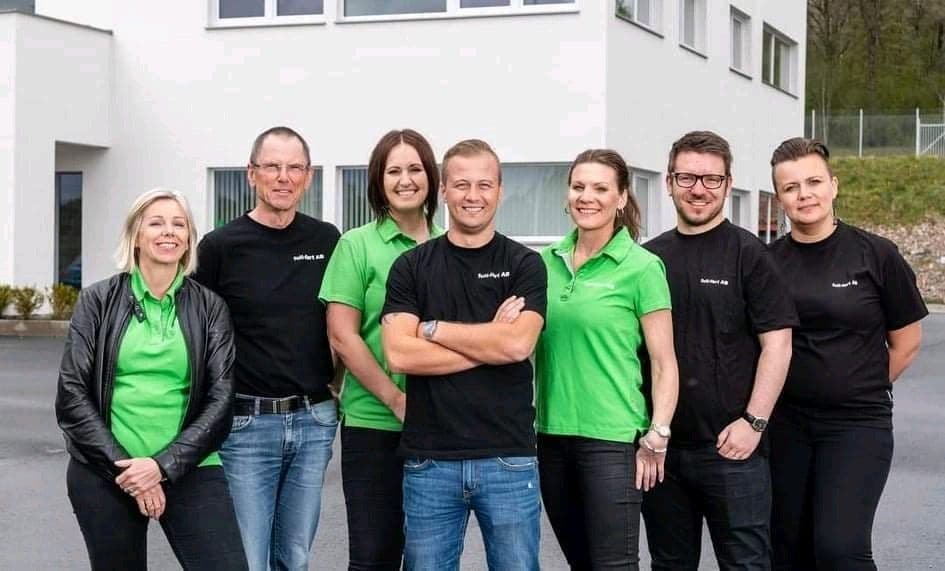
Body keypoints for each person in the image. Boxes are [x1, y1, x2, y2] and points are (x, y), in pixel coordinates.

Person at [55, 189, 247, 570]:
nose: (168, 232)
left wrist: (161, 467)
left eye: (179, 224)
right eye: (156, 223)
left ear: (189, 239)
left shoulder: (210, 307)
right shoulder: (97, 301)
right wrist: (131, 471)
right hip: (106, 470)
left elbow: (221, 400)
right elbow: (71, 396)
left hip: (190, 466)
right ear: (136, 236)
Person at [380, 139, 547, 571]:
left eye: (484, 185)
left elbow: (518, 345)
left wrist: (433, 329)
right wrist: (492, 340)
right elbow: (399, 355)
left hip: (508, 459)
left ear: (500, 190)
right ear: (444, 190)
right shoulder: (411, 266)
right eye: (462, 184)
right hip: (430, 459)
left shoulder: (525, 264)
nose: (473, 196)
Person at [767, 137, 927, 570]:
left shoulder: (876, 255)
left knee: (840, 549)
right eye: (791, 187)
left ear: (834, 186)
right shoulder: (765, 263)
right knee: (786, 550)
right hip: (784, 425)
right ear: (779, 198)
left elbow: (907, 342)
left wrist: (855, 384)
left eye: (814, 182)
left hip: (856, 424)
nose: (805, 194)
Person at [640, 131, 797, 570]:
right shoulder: (649, 260)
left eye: (711, 179)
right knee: (669, 564)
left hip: (733, 449)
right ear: (669, 182)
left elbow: (778, 345)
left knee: (746, 564)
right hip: (662, 449)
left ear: (728, 185)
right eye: (687, 178)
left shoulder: (751, 255)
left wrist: (754, 422)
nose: (699, 189)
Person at [193, 126, 341, 570]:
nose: (283, 177)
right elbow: (197, 336)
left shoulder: (327, 240)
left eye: (294, 167)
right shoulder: (220, 247)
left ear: (308, 176)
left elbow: (343, 323)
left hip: (314, 421)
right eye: (272, 166)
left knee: (295, 557)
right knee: (249, 559)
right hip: (246, 424)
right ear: (251, 173)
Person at [534, 149, 679, 570]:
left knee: (614, 565)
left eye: (600, 188)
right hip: (551, 436)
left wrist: (658, 434)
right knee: (580, 563)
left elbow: (664, 363)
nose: (587, 197)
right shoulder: (543, 264)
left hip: (612, 442)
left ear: (621, 198)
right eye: (578, 187)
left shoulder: (643, 268)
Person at [319, 129, 443, 570]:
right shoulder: (357, 245)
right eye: (394, 171)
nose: (405, 180)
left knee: (430, 557)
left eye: (415, 169)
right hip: (373, 424)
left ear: (431, 178)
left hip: (442, 426)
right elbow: (342, 336)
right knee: (374, 556)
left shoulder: (451, 246)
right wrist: (395, 399)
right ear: (378, 180)